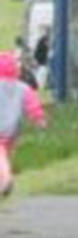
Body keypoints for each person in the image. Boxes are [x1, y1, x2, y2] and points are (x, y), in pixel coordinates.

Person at [0, 50, 49, 197]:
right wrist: (39, 119)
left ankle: (7, 179)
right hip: (13, 130)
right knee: (5, 155)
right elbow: (32, 105)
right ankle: (3, 180)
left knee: (0, 157)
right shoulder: (23, 88)